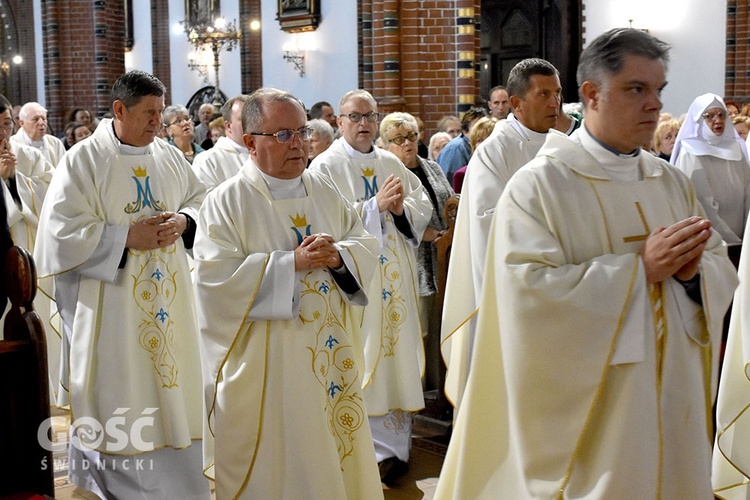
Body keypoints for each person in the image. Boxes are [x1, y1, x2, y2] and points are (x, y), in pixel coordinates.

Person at [435, 28, 737, 499]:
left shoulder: (671, 182)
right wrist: (640, 272)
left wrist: (694, 273)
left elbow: (717, 264)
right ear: (591, 95)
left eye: (659, 90)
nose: (654, 104)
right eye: (637, 89)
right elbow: (527, 298)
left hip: (670, 400)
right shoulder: (539, 187)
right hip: (595, 420)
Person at [194, 87, 382, 499]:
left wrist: (337, 258)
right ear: (250, 142)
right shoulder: (227, 202)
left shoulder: (324, 188)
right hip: (269, 363)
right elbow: (213, 282)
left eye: (300, 132)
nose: (296, 144)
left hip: (330, 353)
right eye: (282, 135)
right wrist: (289, 264)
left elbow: (364, 243)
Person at [33, 70, 209, 499]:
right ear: (119, 110)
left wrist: (185, 220)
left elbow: (201, 199)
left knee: (169, 383)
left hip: (169, 304)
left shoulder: (167, 155)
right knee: (120, 388)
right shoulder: (83, 160)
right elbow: (58, 234)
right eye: (148, 114)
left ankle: (180, 481)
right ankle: (117, 481)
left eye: (160, 113)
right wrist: (127, 237)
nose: (157, 123)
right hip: (109, 307)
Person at [310, 89, 432, 486]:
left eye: (369, 116)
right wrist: (372, 207)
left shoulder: (390, 161)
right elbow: (325, 219)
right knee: (361, 356)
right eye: (355, 117)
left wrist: (399, 210)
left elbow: (419, 206)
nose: (363, 124)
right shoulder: (324, 167)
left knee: (396, 356)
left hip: (394, 279)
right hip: (356, 282)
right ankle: (359, 445)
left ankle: (396, 450)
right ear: (340, 122)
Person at [440, 58, 562, 415]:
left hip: (559, 285)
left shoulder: (562, 145)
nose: (554, 103)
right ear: (516, 103)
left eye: (557, 93)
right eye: (544, 94)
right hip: (511, 290)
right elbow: (488, 223)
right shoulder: (495, 152)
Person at [380, 111, 455, 393]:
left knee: (439, 326)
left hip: (442, 257)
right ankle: (418, 390)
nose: (407, 143)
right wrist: (425, 234)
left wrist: (450, 228)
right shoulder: (388, 173)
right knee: (420, 328)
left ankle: (439, 387)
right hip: (413, 260)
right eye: (398, 139)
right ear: (386, 144)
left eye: (411, 136)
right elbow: (388, 216)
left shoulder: (431, 167)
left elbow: (449, 200)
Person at [0, 93, 56, 392]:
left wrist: (14, 182)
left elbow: (53, 189)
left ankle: (39, 384)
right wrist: (3, 180)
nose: (3, 133)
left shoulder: (29, 155)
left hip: (29, 246)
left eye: (6, 124)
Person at [671, 93, 750, 249]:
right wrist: (729, 239)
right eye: (710, 116)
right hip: (710, 242)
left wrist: (745, 236)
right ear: (698, 120)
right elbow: (702, 204)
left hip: (743, 239)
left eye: (721, 115)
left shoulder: (736, 150)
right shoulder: (691, 153)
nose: (718, 120)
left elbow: (748, 193)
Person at [191, 95, 250, 192]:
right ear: (228, 126)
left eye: (256, 119)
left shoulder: (268, 153)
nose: (252, 124)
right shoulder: (207, 161)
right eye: (244, 119)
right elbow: (205, 202)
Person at [436, 107, 488, 186]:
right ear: (464, 130)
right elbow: (454, 184)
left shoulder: (481, 145)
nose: (481, 130)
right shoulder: (456, 148)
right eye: (477, 126)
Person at [452, 115, 499, 193]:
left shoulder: (512, 169)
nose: (484, 145)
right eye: (480, 140)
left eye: (489, 139)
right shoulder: (462, 175)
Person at [12, 102, 66, 167]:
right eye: (35, 119)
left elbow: (64, 171)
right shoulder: (13, 145)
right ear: (22, 123)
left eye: (44, 119)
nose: (41, 123)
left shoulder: (55, 143)